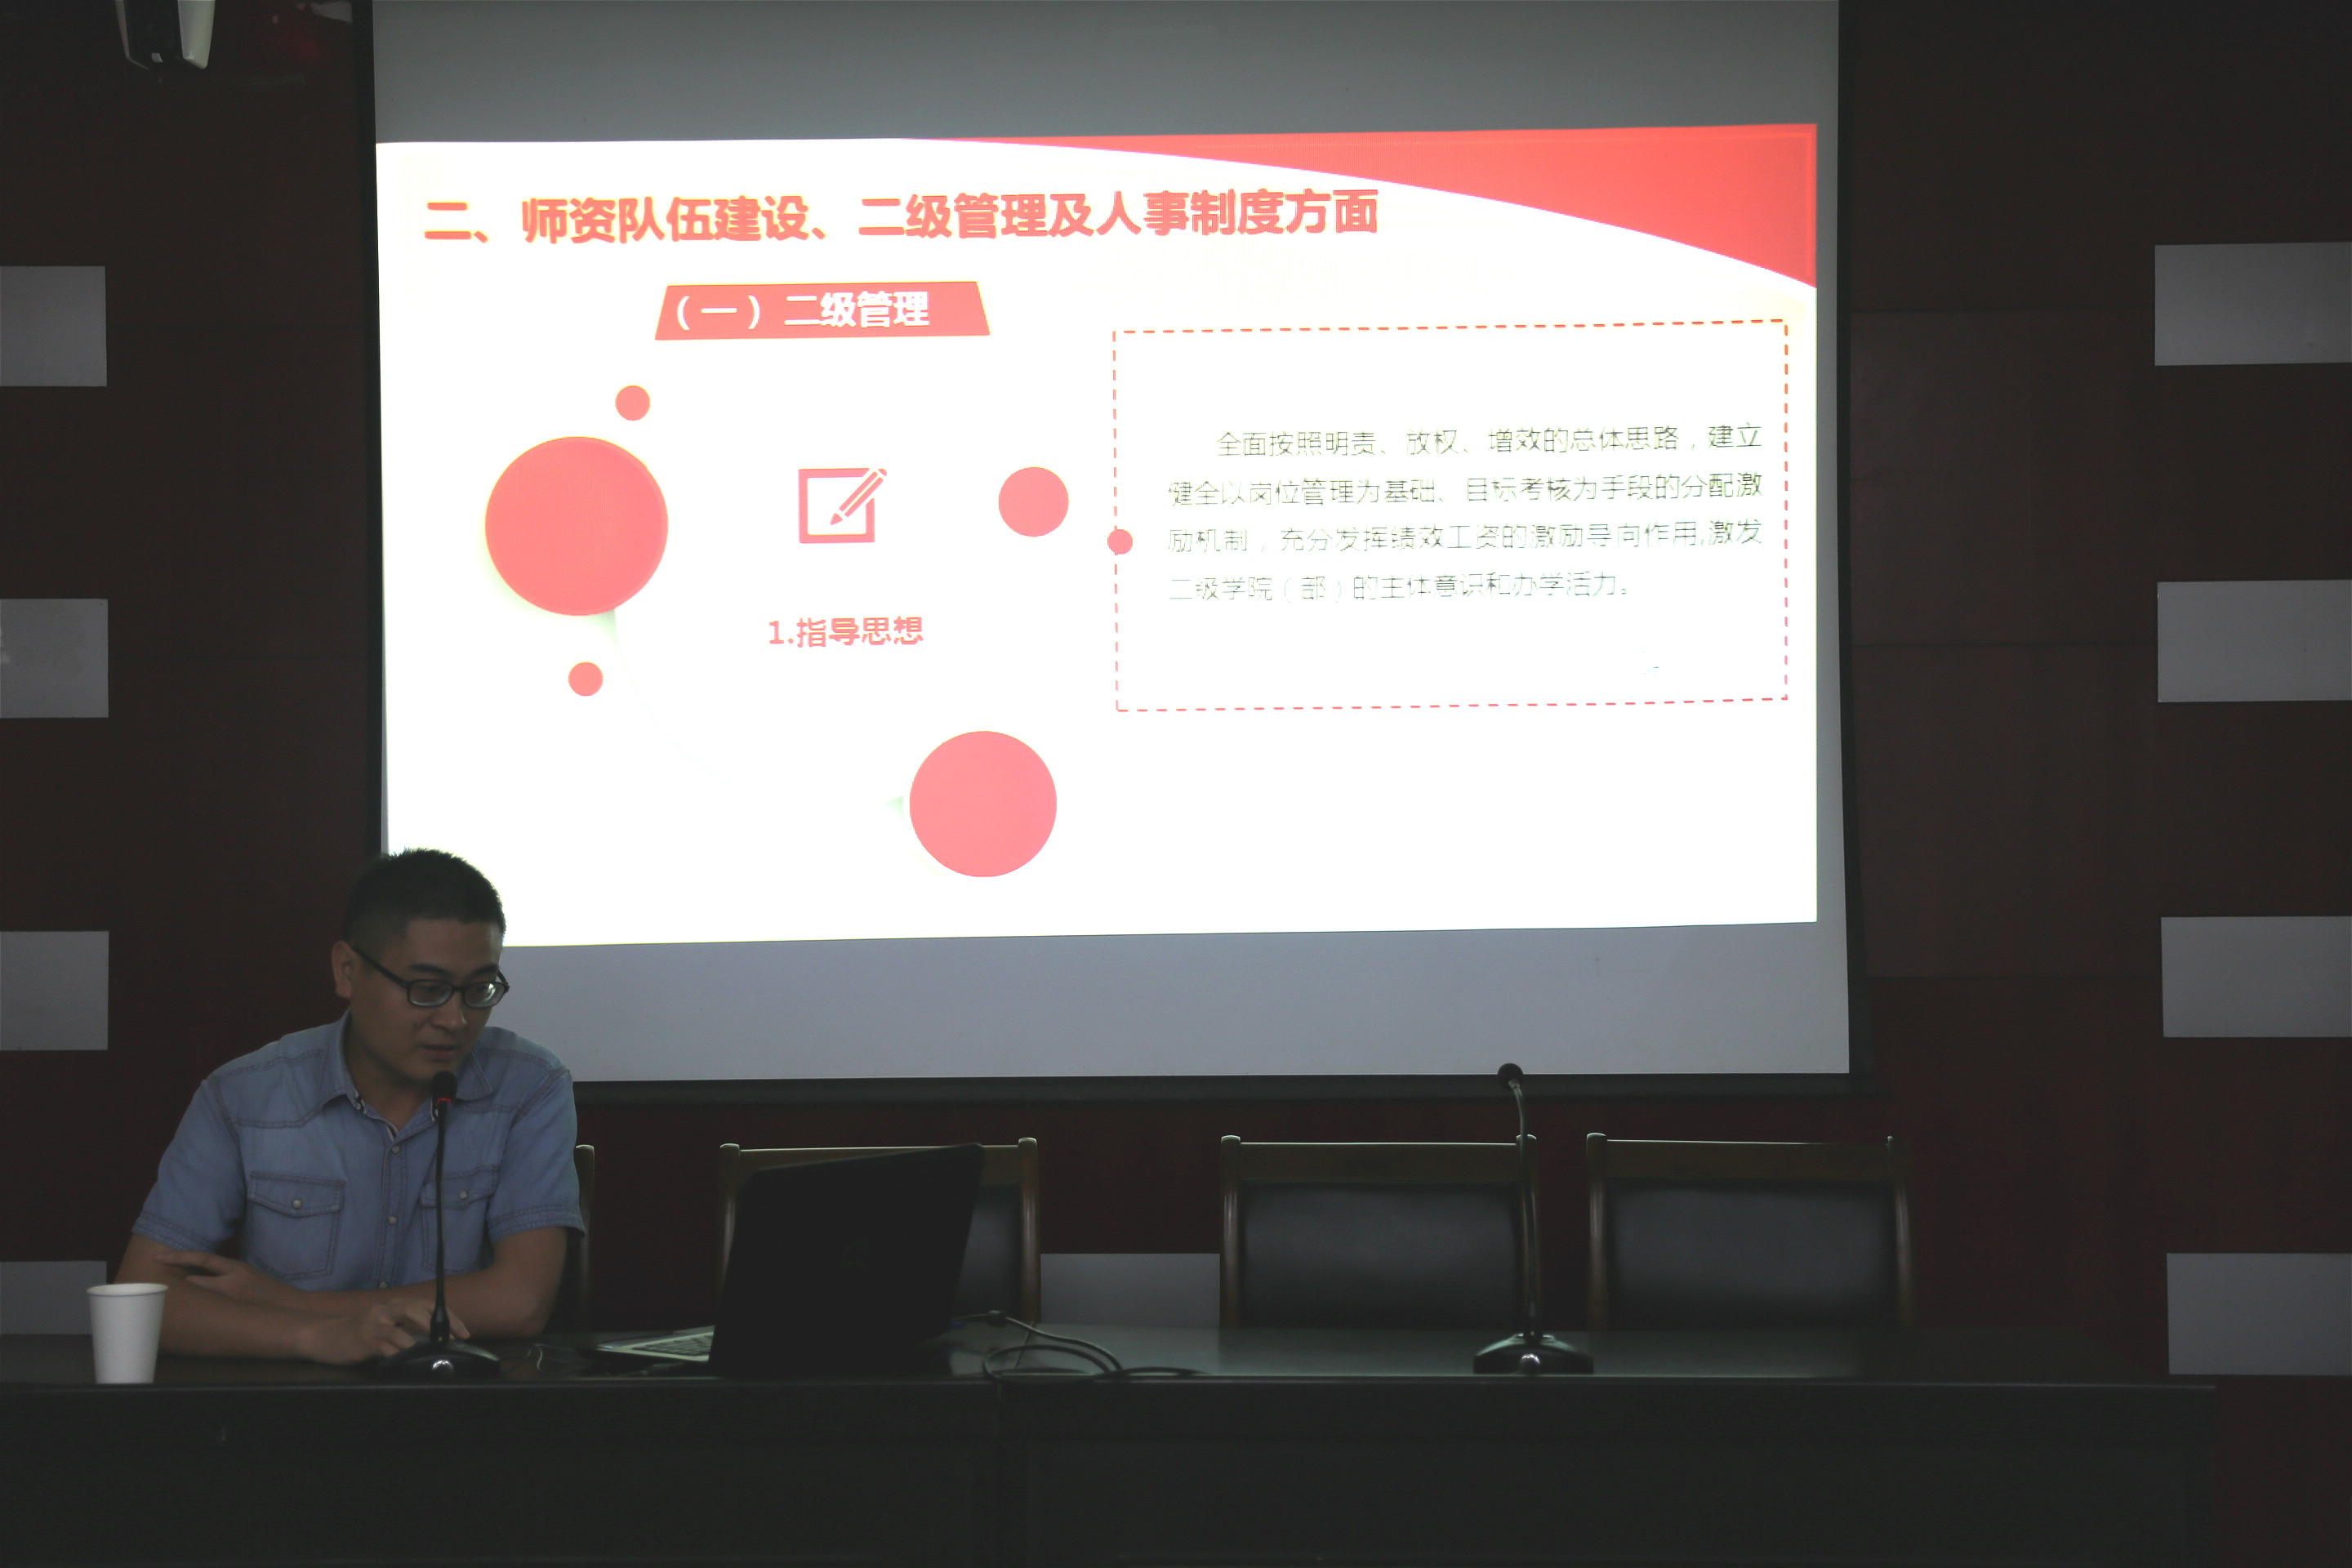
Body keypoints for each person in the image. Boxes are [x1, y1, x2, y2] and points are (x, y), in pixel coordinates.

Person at [117, 849, 581, 1365]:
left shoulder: (529, 1085)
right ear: (347, 970)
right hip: (294, 1397)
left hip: (459, 1398)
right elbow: (141, 1299)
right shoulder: (243, 1095)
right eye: (427, 989)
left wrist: (292, 1303)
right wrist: (315, 1336)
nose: (456, 1019)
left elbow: (522, 1302)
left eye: (479, 989)